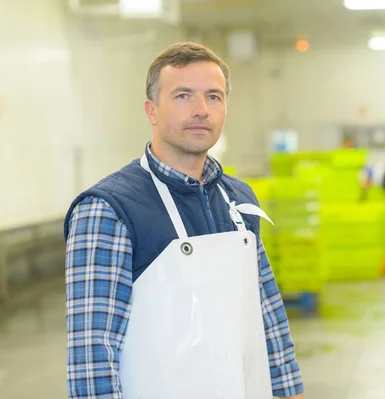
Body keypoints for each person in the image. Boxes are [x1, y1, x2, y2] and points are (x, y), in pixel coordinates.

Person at [64, 42, 305, 399]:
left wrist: (290, 391)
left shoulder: (238, 200)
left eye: (214, 97)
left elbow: (268, 318)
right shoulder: (107, 209)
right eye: (182, 96)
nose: (201, 110)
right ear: (152, 111)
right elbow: (93, 355)